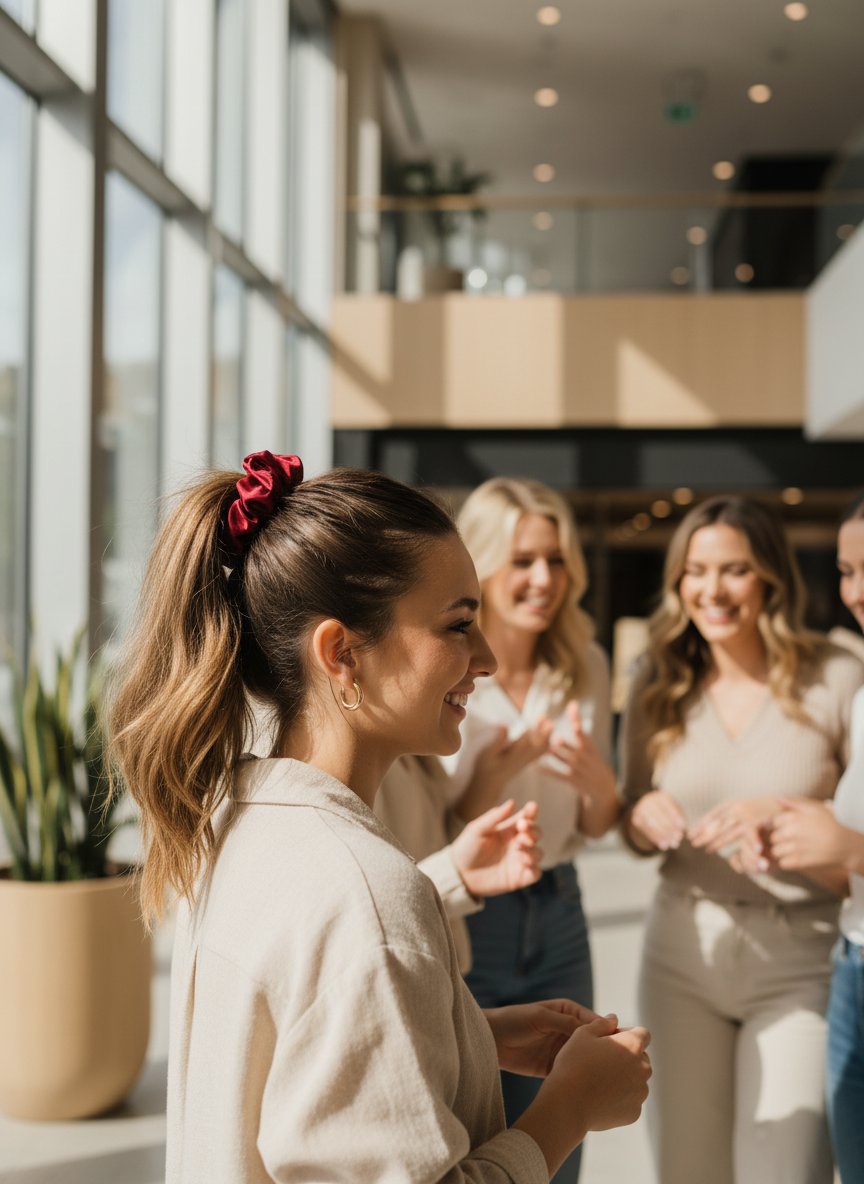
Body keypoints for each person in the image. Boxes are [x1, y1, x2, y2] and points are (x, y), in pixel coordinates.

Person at [109, 452, 652, 1184]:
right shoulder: (364, 894)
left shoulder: (234, 824)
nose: (486, 657)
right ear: (341, 655)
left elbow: (291, 1052)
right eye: (458, 626)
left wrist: (468, 1035)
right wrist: (570, 1107)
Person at [619, 494, 864, 1184]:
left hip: (801, 960)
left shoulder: (839, 676)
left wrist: (784, 817)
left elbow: (857, 834)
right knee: (688, 1169)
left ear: (771, 580)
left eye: (734, 570)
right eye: (696, 571)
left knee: (788, 1168)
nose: (712, 590)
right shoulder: (657, 683)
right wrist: (643, 816)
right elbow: (631, 813)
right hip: (681, 954)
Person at [445, 478, 619, 1184]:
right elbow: (439, 829)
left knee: (562, 1123)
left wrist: (601, 786)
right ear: (482, 564)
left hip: (559, 911)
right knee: (473, 1122)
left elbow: (596, 821)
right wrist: (490, 778)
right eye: (522, 560)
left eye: (556, 559)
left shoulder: (585, 667)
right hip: (470, 915)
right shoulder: (451, 666)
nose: (543, 579)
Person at [736, 492, 864, 1182]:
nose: (857, 592)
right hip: (854, 963)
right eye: (846, 571)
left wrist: (848, 848)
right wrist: (798, 846)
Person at [374, 757, 543, 974]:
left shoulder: (418, 757)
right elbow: (364, 912)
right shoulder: (358, 778)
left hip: (443, 978)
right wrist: (453, 875)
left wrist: (462, 866)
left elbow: (433, 838)